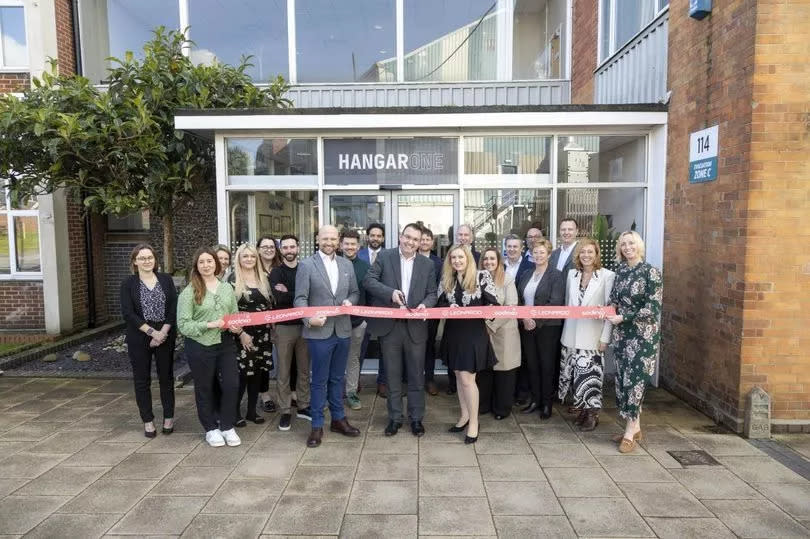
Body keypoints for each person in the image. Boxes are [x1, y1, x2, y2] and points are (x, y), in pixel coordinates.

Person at [364, 223, 437, 437]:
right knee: (393, 376)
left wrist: (426, 304)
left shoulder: (427, 264)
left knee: (416, 375)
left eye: (415, 239)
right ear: (400, 236)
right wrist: (390, 293)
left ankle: (416, 419)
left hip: (416, 328)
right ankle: (395, 418)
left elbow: (432, 293)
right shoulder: (385, 257)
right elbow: (368, 280)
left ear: (420, 242)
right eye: (407, 237)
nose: (410, 242)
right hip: (391, 328)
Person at [294, 225, 361, 448]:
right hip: (318, 332)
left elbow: (354, 292)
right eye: (325, 238)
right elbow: (300, 299)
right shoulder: (306, 265)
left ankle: (339, 420)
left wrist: (350, 301)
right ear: (317, 239)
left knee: (337, 378)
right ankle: (316, 425)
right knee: (319, 381)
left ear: (338, 240)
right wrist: (308, 319)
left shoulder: (346, 264)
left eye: (333, 238)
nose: (329, 242)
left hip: (342, 330)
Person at [177, 247, 242, 448]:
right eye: (202, 262)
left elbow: (234, 314)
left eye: (210, 261)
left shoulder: (226, 288)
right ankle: (211, 428)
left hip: (225, 343)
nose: (206, 265)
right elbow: (183, 324)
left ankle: (227, 425)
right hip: (200, 345)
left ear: (217, 263)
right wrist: (209, 324)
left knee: (232, 384)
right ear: (196, 266)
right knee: (204, 387)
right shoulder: (189, 292)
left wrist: (236, 325)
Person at [606, 231, 662, 453]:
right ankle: (635, 426)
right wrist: (606, 311)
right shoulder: (620, 271)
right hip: (621, 335)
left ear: (639, 246)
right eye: (623, 244)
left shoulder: (650, 272)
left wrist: (625, 317)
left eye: (631, 244)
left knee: (636, 382)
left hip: (642, 336)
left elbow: (652, 307)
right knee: (622, 380)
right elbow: (614, 300)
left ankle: (629, 432)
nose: (627, 247)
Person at [438, 245, 500, 444]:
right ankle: (464, 416)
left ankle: (474, 422)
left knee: (467, 379)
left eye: (460, 257)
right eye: (453, 257)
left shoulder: (482, 276)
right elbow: (439, 304)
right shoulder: (448, 279)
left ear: (468, 258)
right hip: (453, 333)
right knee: (458, 375)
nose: (457, 260)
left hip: (473, 335)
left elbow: (494, 303)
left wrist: (487, 311)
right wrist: (449, 306)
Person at [120, 243, 177, 438]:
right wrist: (152, 332)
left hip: (165, 334)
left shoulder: (166, 280)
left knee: (166, 378)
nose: (146, 261)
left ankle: (168, 417)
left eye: (150, 257)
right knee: (142, 380)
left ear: (155, 260)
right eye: (142, 258)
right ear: (135, 261)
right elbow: (128, 313)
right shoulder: (128, 283)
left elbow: (173, 308)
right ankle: (148, 421)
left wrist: (163, 332)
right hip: (140, 335)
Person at [558, 238, 615, 431]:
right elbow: (568, 305)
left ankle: (592, 414)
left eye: (590, 252)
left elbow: (610, 309)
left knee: (591, 377)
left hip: (592, 336)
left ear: (597, 254)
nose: (586, 255)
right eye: (583, 252)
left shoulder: (607, 276)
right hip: (571, 334)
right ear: (578, 255)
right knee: (576, 376)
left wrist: (605, 338)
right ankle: (582, 410)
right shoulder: (572, 274)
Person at [516, 239, 565, 419]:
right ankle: (535, 400)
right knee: (532, 365)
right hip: (527, 326)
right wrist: (524, 318)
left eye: (542, 252)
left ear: (549, 255)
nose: (538, 255)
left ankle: (547, 404)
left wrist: (535, 320)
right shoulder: (526, 274)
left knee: (546, 366)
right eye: (535, 252)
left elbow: (556, 302)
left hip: (547, 328)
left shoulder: (556, 275)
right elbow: (519, 299)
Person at [269, 234, 312, 431]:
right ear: (281, 250)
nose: (289, 251)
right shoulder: (276, 272)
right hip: (284, 327)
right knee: (284, 371)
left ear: (298, 248)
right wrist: (299, 295)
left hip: (305, 326)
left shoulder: (307, 268)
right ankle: (285, 410)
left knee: (304, 369)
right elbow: (279, 298)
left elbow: (310, 296)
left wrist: (291, 294)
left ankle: (303, 405)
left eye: (292, 247)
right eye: (285, 247)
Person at [228, 244, 274, 427]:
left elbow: (270, 305)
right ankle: (235, 412)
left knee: (257, 373)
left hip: (263, 335)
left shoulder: (264, 278)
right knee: (242, 375)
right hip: (243, 335)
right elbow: (229, 311)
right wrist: (241, 334)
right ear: (239, 259)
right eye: (245, 256)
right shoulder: (232, 280)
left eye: (252, 256)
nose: (249, 259)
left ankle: (252, 411)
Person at [478, 247, 521, 420]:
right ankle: (484, 404)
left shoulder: (507, 279)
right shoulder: (476, 280)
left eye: (492, 259)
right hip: (482, 332)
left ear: (498, 261)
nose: (489, 262)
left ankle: (502, 409)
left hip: (504, 332)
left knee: (504, 372)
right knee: (485, 371)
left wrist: (492, 326)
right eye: (486, 259)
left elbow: (511, 306)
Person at [340, 229, 370, 410]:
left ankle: (351, 393)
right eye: (346, 244)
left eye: (353, 244)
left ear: (358, 247)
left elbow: (370, 293)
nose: (350, 247)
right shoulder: (333, 263)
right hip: (334, 322)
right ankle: (333, 393)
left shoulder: (365, 267)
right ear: (340, 245)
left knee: (353, 359)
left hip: (357, 322)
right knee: (334, 360)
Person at [356, 223, 387, 397]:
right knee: (360, 347)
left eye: (378, 235)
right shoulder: (358, 255)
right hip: (363, 309)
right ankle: (355, 380)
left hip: (383, 309)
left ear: (382, 238)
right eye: (372, 235)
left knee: (384, 348)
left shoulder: (390, 256)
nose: (375, 238)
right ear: (367, 237)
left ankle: (382, 382)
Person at [256, 235, 280, 414]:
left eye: (272, 246)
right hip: (259, 323)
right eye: (264, 246)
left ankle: (289, 392)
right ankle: (264, 395)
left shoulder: (280, 268)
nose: (268, 249)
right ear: (258, 249)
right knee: (262, 360)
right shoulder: (252, 269)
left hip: (281, 320)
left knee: (285, 359)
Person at [418, 227, 443, 396]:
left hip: (431, 312)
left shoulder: (438, 263)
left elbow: (440, 287)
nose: (425, 242)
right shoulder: (409, 259)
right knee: (412, 346)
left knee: (429, 346)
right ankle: (412, 379)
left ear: (432, 243)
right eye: (422, 239)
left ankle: (429, 379)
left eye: (428, 239)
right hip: (411, 311)